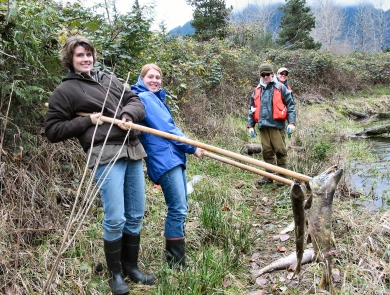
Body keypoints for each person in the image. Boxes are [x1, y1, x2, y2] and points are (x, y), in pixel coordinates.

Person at [44, 35, 154, 295]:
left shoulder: (108, 79)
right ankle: (116, 275)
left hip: (132, 150)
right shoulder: (65, 91)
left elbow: (135, 100)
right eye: (79, 55)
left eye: (89, 54)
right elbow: (52, 130)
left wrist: (128, 115)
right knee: (115, 217)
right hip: (105, 154)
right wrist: (87, 122)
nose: (86, 59)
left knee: (136, 213)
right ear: (70, 59)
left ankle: (131, 268)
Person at [130, 63, 204, 269]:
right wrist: (192, 147)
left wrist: (189, 146)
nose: (154, 80)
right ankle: (176, 263)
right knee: (178, 208)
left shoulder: (154, 98)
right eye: (150, 77)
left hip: (171, 157)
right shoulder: (145, 98)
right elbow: (168, 129)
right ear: (141, 78)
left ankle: (177, 260)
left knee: (180, 207)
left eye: (158, 77)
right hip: (165, 159)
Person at [247, 63, 296, 187]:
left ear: (272, 74)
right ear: (260, 75)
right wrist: (251, 125)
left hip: (276, 125)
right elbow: (252, 109)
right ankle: (268, 176)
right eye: (263, 74)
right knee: (267, 151)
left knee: (280, 150)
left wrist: (291, 123)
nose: (265, 77)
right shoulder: (257, 90)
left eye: (267, 74)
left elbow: (291, 105)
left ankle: (282, 177)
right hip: (263, 126)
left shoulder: (280, 87)